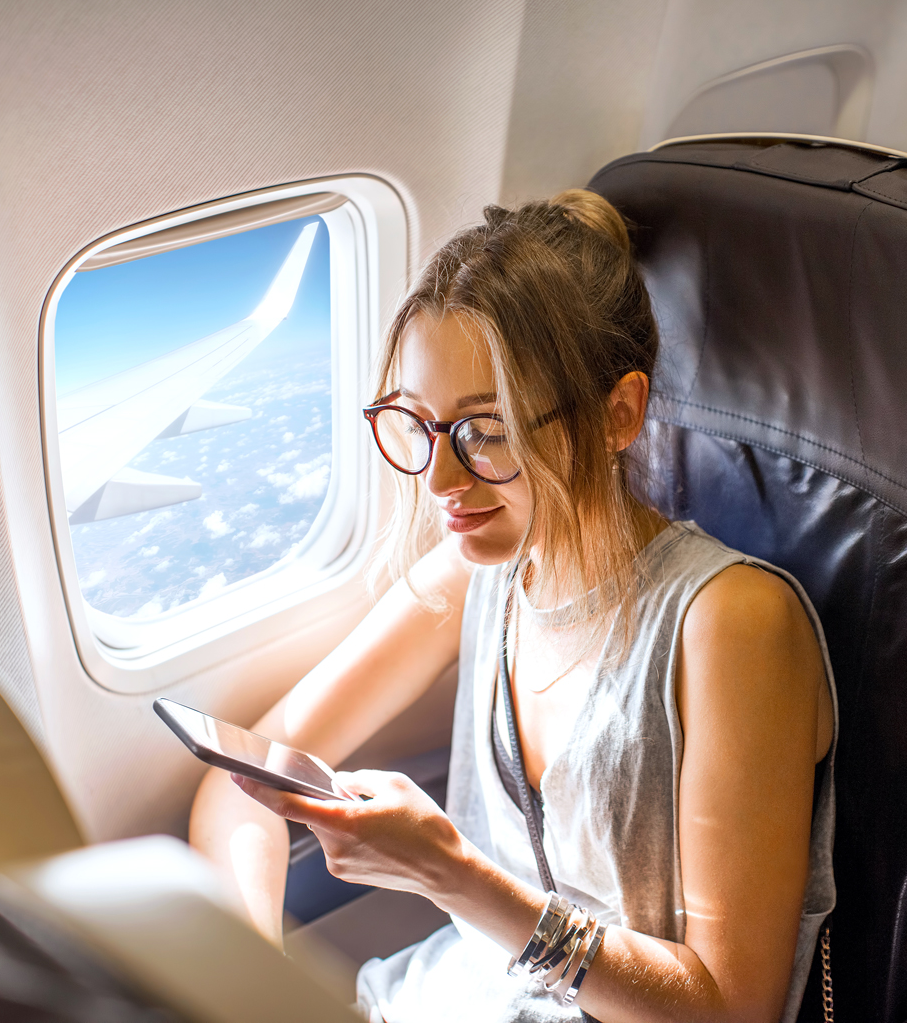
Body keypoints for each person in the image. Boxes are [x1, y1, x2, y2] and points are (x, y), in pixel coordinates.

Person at [189, 189, 837, 1023]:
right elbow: (242, 777)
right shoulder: (475, 575)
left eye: (486, 433)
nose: (440, 483)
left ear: (619, 415)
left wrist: (453, 872)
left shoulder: (732, 623)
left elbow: (729, 1007)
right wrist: (260, 981)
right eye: (420, 426)